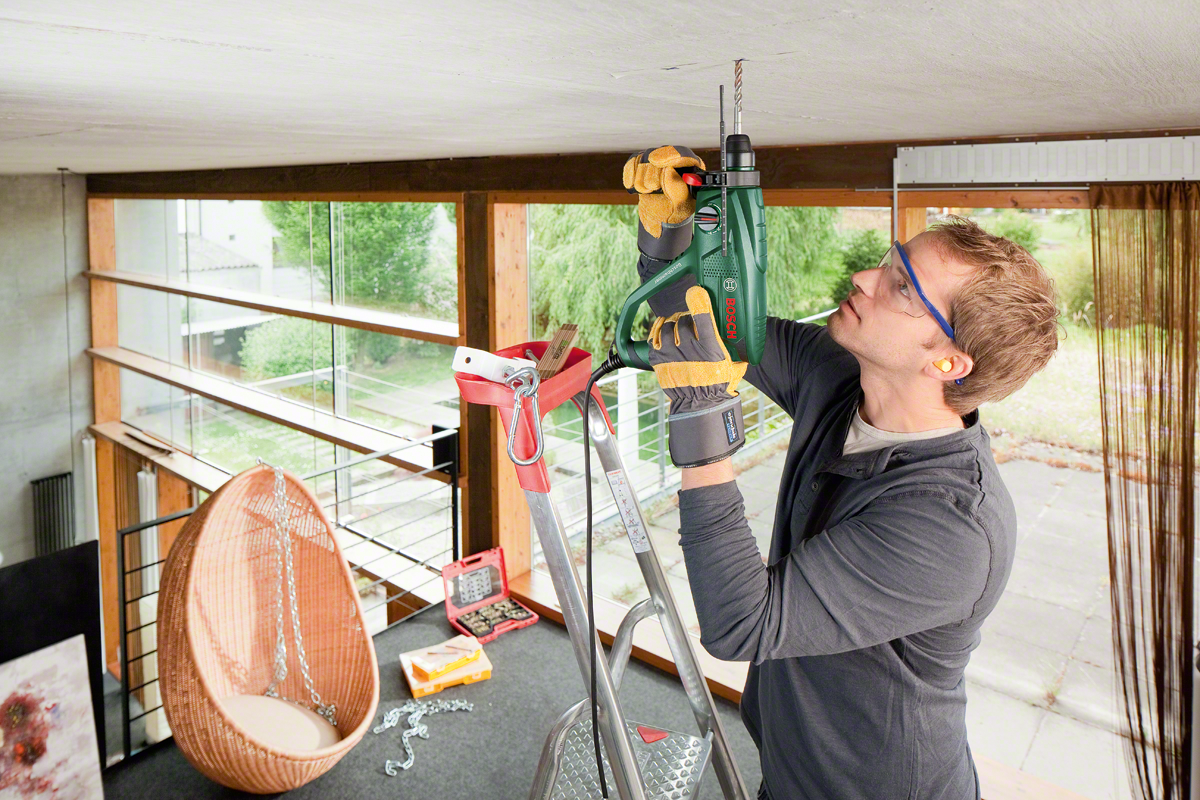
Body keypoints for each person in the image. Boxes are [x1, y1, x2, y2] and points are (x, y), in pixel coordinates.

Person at [624, 147, 1060, 799]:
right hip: (791, 767)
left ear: (948, 363)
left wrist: (704, 414)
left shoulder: (951, 527)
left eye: (902, 288)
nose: (863, 277)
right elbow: (703, 328)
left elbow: (741, 623)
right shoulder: (837, 373)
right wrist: (671, 235)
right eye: (890, 262)